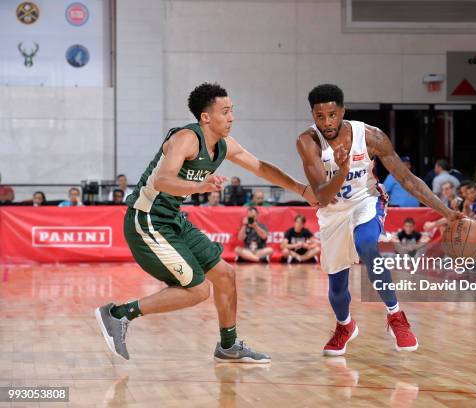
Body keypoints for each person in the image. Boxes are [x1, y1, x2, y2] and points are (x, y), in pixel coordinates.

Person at [95, 83, 316, 364]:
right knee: (199, 290)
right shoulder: (186, 139)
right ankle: (118, 314)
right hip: (146, 219)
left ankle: (228, 345)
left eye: (232, 111)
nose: (231, 117)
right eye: (225, 111)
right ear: (206, 117)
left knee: (225, 275)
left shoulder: (224, 146)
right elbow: (163, 180)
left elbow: (260, 167)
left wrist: (300, 189)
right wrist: (198, 186)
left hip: (173, 219)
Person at [295, 84, 462, 356]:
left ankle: (396, 315)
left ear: (342, 112)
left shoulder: (370, 136)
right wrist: (343, 169)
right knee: (337, 287)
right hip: (333, 211)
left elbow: (407, 179)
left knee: (368, 245)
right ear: (312, 115)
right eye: (320, 116)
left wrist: (446, 211)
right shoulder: (307, 142)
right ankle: (345, 325)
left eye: (332, 115)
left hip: (365, 201)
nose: (327, 122)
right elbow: (323, 196)